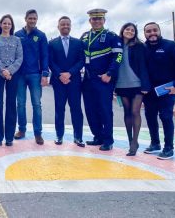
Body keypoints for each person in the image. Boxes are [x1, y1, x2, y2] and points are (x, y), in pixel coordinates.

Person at [143, 22, 175, 160]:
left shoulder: (171, 46)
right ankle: (155, 144)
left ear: (159, 31)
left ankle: (169, 148)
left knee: (166, 117)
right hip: (149, 91)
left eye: (154, 30)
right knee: (150, 117)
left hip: (167, 89)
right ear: (145, 34)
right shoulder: (142, 49)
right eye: (148, 31)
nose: (152, 33)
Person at [80, 9, 123, 151]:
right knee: (90, 110)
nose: (97, 21)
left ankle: (108, 140)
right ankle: (97, 136)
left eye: (99, 19)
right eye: (94, 19)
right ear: (90, 21)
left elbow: (118, 57)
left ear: (104, 20)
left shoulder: (112, 36)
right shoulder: (85, 36)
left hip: (104, 80)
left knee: (105, 110)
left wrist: (109, 73)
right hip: (87, 80)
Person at [48, 16, 85, 147]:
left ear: (70, 26)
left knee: (76, 109)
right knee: (59, 109)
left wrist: (70, 73)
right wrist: (60, 75)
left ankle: (78, 137)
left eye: (67, 24)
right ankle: (59, 135)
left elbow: (81, 61)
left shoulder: (78, 43)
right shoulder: (52, 44)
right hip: (58, 82)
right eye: (62, 24)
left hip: (74, 81)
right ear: (58, 27)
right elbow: (50, 61)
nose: (65, 26)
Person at [115, 23, 151, 156]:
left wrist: (145, 85)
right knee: (127, 113)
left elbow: (143, 66)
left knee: (135, 112)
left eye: (132, 30)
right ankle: (130, 140)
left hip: (137, 84)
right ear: (122, 30)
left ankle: (135, 142)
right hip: (121, 84)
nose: (129, 31)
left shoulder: (139, 46)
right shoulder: (117, 45)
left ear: (135, 33)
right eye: (127, 29)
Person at [14, 9, 49, 145]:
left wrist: (45, 74)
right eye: (30, 18)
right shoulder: (17, 35)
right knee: (20, 104)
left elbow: (45, 55)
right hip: (20, 75)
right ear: (25, 18)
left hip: (35, 74)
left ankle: (38, 133)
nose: (33, 21)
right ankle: (21, 129)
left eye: (35, 18)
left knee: (36, 104)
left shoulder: (41, 35)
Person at [0, 14, 23, 146]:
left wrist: (10, 71)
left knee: (11, 104)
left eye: (9, 23)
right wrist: (3, 70)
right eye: (4, 23)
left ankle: (9, 137)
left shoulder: (17, 40)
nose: (7, 25)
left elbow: (19, 57)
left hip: (13, 74)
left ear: (12, 25)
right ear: (0, 25)